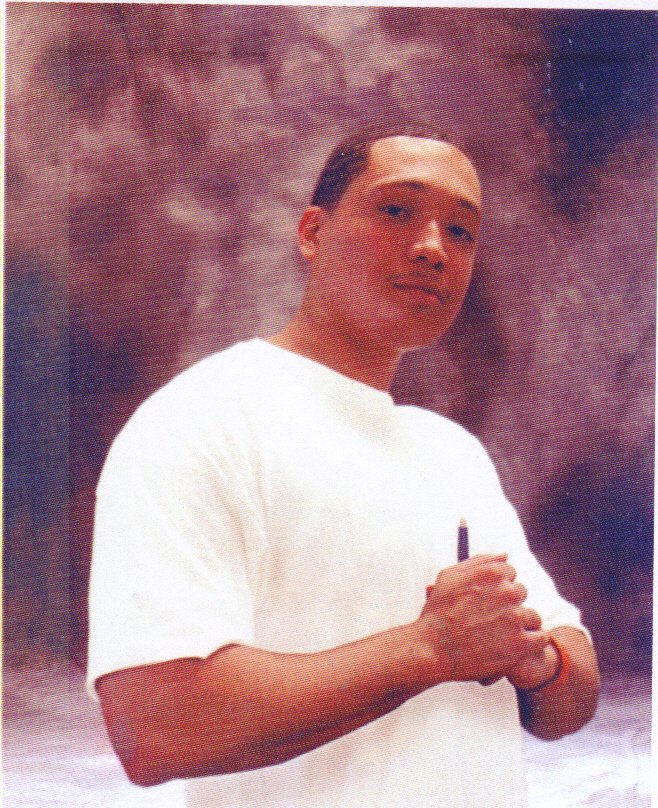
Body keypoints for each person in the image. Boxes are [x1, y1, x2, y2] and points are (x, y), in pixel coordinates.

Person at [87, 123, 600, 808]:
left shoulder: (453, 454)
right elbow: (156, 724)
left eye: (461, 231)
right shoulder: (201, 420)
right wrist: (430, 649)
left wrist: (538, 661)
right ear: (312, 232)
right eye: (397, 210)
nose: (433, 247)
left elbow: (574, 692)